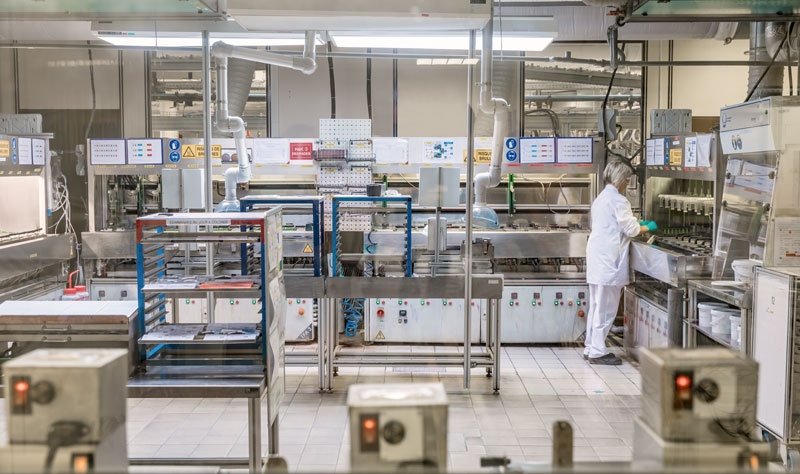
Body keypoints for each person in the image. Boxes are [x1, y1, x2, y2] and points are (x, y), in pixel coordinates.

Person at [584, 160, 657, 365]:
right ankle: (598, 351)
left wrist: (635, 223)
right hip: (609, 259)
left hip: (598, 256)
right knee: (606, 308)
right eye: (626, 180)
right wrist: (649, 225)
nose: (627, 184)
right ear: (619, 180)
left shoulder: (601, 197)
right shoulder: (618, 200)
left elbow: (618, 224)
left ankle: (591, 346)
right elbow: (632, 230)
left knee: (597, 305)